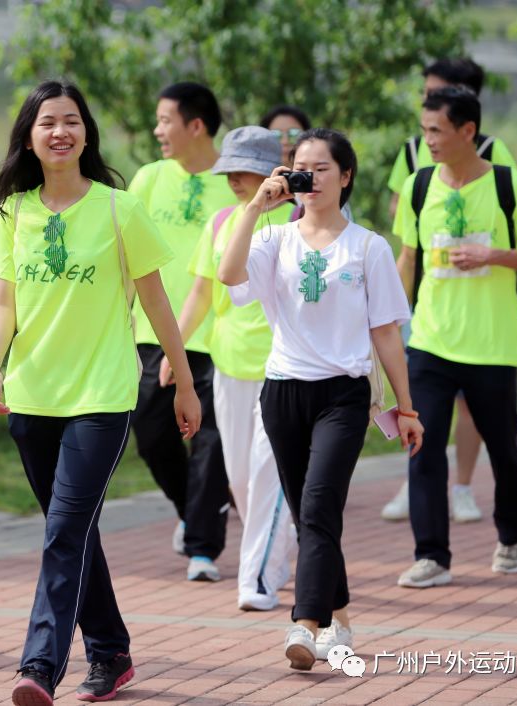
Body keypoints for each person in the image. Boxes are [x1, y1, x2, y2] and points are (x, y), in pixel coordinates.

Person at [0, 81, 201, 705]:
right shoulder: (12, 213)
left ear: (86, 133)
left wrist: (183, 380)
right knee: (70, 530)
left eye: (71, 121)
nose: (60, 132)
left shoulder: (117, 208)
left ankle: (38, 667)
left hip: (101, 395)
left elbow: (156, 301)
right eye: (48, 122)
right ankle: (111, 652)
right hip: (31, 395)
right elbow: (2, 302)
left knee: (63, 531)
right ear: (30, 134)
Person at [217, 128, 423, 670]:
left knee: (317, 504)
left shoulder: (369, 247)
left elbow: (385, 334)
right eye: (298, 168)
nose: (308, 178)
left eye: (321, 168)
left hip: (344, 395)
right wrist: (257, 206)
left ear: (346, 176)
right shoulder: (273, 240)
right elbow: (228, 274)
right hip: (283, 393)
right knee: (314, 518)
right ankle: (343, 619)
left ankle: (305, 625)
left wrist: (406, 406)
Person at [393, 88, 517, 589]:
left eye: (436, 131)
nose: (428, 141)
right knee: (421, 447)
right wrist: (390, 325)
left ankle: (511, 536)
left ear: (468, 132)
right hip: (430, 342)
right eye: (424, 130)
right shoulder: (419, 186)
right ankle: (432, 556)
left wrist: (493, 257)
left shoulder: (509, 186)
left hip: (492, 346)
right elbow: (407, 258)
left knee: (504, 449)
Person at [161, 126, 296, 611]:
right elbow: (201, 292)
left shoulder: (302, 219)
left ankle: (259, 578)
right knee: (239, 477)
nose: (235, 179)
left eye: (244, 170)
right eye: (229, 171)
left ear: (270, 170)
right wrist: (174, 352)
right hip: (229, 365)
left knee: (267, 472)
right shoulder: (222, 221)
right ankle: (284, 545)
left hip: (284, 368)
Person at [381, 58, 517, 524]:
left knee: (476, 412)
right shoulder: (413, 153)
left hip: (485, 315)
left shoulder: (498, 155)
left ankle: (462, 486)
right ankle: (424, 506)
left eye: (436, 94)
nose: (427, 102)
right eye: (424, 95)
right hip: (431, 314)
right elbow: (406, 224)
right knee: (427, 413)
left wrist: (491, 255)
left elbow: (514, 221)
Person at [128, 81, 235, 582]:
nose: (157, 130)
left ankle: (202, 549)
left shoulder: (234, 183)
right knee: (149, 432)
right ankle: (193, 511)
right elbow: (124, 260)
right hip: (152, 334)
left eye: (165, 120)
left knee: (210, 440)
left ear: (196, 125)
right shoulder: (148, 179)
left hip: (218, 335)